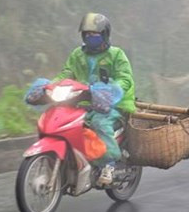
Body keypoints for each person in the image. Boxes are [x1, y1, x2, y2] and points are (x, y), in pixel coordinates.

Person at [54, 13, 136, 186]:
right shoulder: (77, 54)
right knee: (62, 120)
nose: (90, 37)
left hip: (112, 105)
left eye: (95, 34)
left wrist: (112, 90)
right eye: (87, 34)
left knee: (100, 123)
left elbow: (125, 78)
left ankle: (109, 165)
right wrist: (51, 86)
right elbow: (67, 73)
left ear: (105, 34)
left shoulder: (116, 55)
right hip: (84, 103)